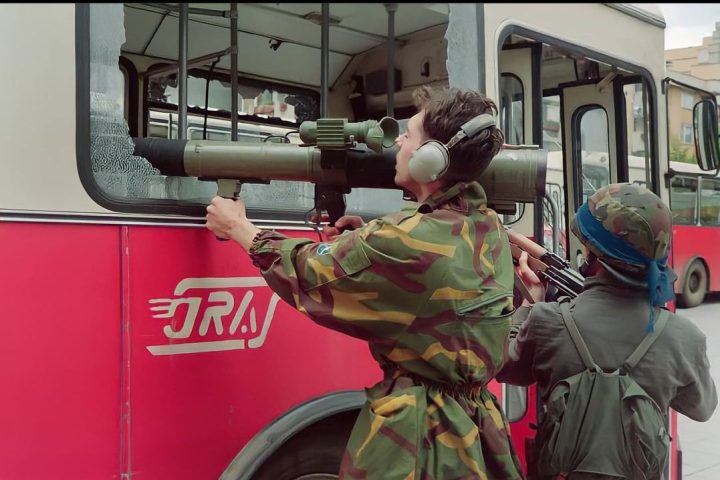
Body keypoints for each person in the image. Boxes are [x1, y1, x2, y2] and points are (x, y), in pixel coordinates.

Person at [205, 86, 524, 479]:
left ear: (431, 160)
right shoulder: (485, 224)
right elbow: (420, 260)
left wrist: (239, 228)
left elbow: (306, 272)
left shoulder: (402, 241)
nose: (400, 144)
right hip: (474, 432)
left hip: (422, 441)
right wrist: (366, 238)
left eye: (409, 135)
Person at [497, 183, 717, 479]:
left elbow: (507, 368)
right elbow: (702, 408)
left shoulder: (547, 320)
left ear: (593, 257)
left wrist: (529, 303)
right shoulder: (684, 337)